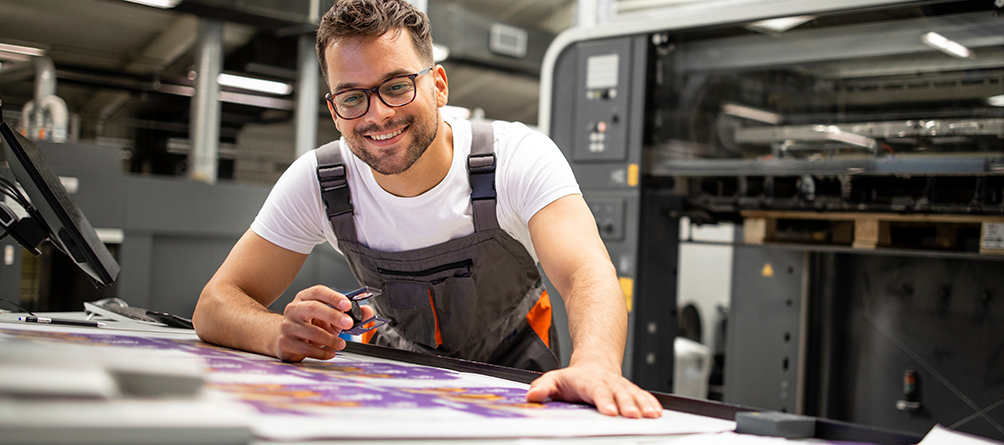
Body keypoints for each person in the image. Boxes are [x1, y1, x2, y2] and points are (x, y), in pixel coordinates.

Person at [192, 0, 661, 419]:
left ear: (438, 84)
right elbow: (215, 304)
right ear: (335, 111)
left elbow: (586, 274)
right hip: (392, 386)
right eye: (353, 97)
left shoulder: (515, 158)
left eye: (396, 86)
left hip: (518, 389)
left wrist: (595, 365)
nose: (376, 115)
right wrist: (277, 332)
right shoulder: (320, 181)